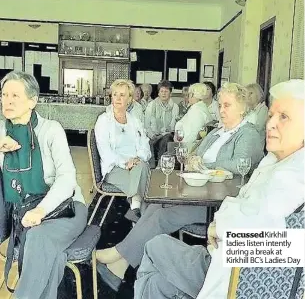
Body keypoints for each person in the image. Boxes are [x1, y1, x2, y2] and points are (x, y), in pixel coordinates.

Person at [134, 79, 305, 299]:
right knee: (157, 283)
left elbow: (265, 235)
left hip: (236, 277)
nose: (270, 124)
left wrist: (218, 226)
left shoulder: (291, 178)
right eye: (271, 115)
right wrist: (222, 223)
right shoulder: (276, 162)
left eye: (284, 117)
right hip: (227, 257)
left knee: (155, 245)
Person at [95, 82, 264, 291]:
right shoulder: (217, 132)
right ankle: (123, 264)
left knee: (162, 215)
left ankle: (118, 256)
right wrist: (193, 159)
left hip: (219, 203)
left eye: (227, 105)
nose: (221, 110)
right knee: (156, 205)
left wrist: (203, 164)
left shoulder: (248, 133)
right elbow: (196, 152)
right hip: (200, 191)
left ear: (242, 107)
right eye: (220, 105)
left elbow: (241, 164)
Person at [0, 71, 87, 299]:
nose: (7, 100)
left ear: (33, 100)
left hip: (66, 210)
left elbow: (67, 178)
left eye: (15, 95)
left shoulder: (51, 130)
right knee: (52, 256)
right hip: (24, 215)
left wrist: (41, 210)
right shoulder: (1, 133)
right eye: (4, 94)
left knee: (38, 238)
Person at [95, 79, 151, 216]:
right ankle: (139, 211)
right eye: (115, 94)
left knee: (142, 167)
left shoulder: (135, 120)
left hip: (137, 165)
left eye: (122, 95)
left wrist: (137, 159)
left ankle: (135, 208)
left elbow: (145, 144)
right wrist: (126, 163)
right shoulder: (103, 120)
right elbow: (105, 152)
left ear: (130, 99)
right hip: (115, 168)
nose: (118, 98)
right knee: (147, 185)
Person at [144, 80, 179, 168]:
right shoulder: (151, 105)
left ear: (170, 93)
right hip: (153, 137)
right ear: (158, 93)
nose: (164, 94)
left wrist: (162, 134)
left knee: (167, 138)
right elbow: (146, 125)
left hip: (166, 136)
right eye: (162, 91)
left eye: (166, 91)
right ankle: (154, 166)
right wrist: (153, 135)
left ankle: (160, 163)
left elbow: (172, 127)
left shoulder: (175, 107)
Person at [174, 83, 213, 150]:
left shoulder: (197, 111)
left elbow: (192, 136)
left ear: (192, 95)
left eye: (189, 94)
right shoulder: (200, 108)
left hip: (189, 149)